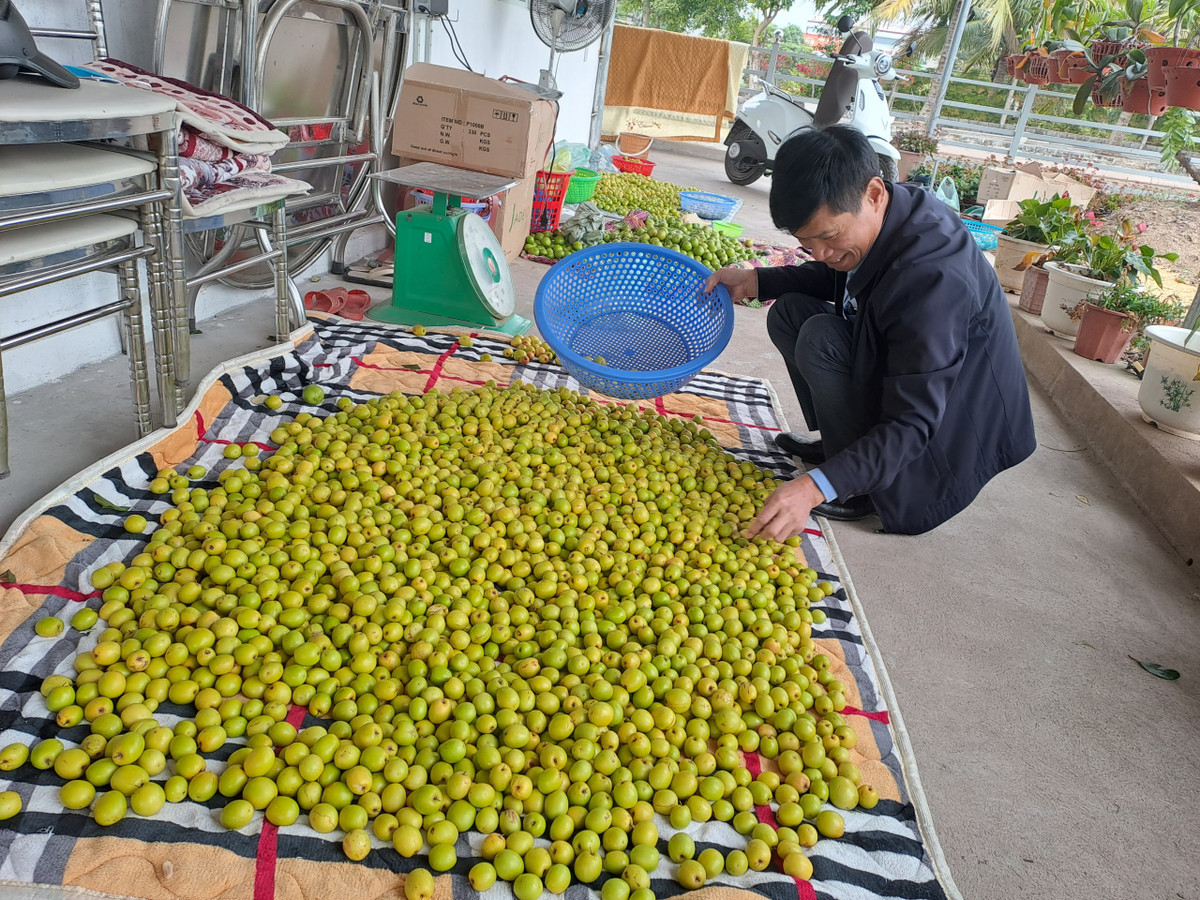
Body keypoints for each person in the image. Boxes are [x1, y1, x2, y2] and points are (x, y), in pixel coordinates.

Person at [705, 125, 1036, 539]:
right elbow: (842, 271)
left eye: (828, 236)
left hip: (951, 424)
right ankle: (841, 449)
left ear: (874, 194)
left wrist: (813, 488)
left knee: (822, 338)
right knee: (789, 312)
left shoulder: (933, 280)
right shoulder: (891, 213)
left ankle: (856, 488)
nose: (821, 255)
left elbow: (913, 423)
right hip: (907, 368)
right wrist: (759, 281)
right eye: (806, 243)